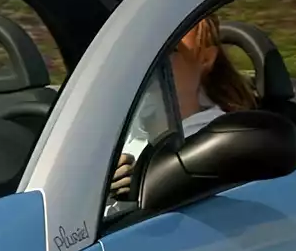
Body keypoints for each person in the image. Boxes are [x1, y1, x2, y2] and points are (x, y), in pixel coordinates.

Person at [108, 14, 259, 205]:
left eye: (168, 50)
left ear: (205, 59)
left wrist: (145, 188)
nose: (148, 62)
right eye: (140, 50)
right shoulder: (110, 118)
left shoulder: (221, 138)